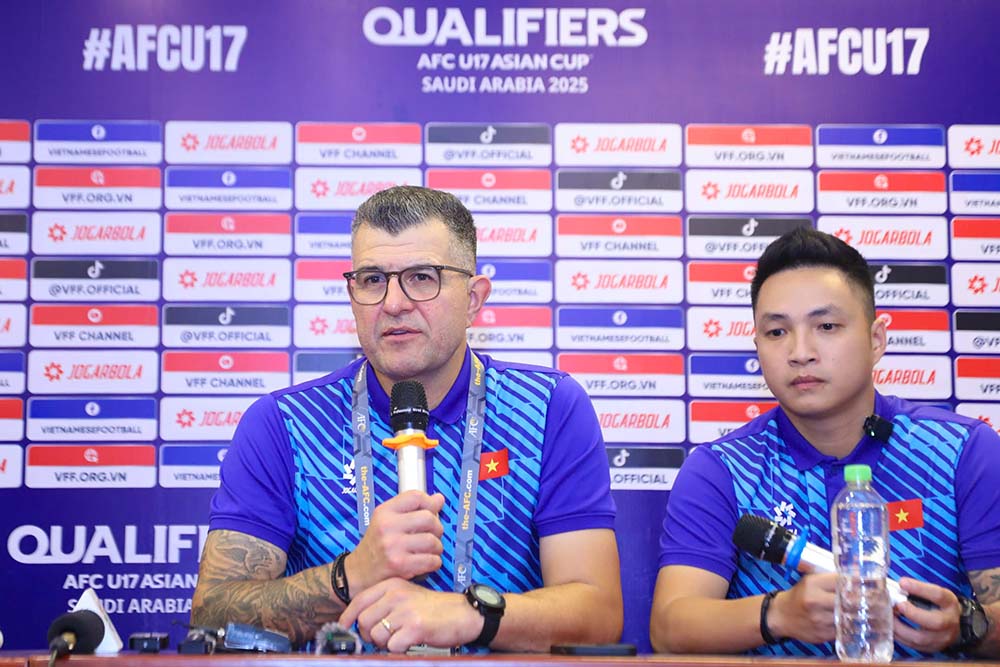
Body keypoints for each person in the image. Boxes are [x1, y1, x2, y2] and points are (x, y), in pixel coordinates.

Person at [190, 185, 623, 652]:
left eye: (421, 277)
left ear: (474, 298)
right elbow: (213, 614)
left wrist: (469, 615)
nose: (394, 303)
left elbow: (598, 614)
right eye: (372, 279)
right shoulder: (284, 424)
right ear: (352, 294)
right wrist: (352, 574)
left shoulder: (548, 408)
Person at [651, 227, 1000, 658]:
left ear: (876, 339)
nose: (801, 352)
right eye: (777, 332)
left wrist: (968, 624)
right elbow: (669, 627)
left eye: (827, 326)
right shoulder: (722, 469)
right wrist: (778, 614)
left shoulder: (963, 451)